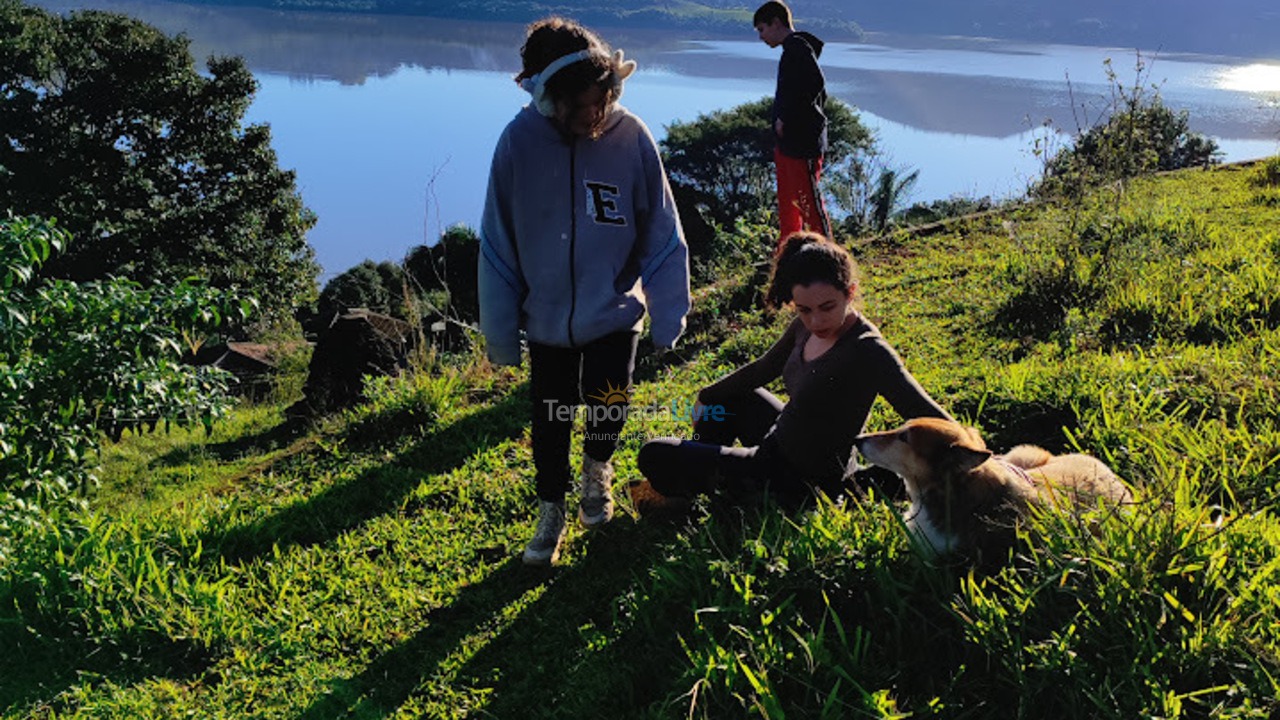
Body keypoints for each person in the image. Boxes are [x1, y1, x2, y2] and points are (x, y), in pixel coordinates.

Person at [479, 17, 692, 566]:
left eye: (601, 101)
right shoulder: (517, 143)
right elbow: (498, 243)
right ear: (548, 97)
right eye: (579, 106)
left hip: (616, 308)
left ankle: (597, 475)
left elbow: (662, 232)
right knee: (550, 416)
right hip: (546, 318)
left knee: (608, 401)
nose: (593, 116)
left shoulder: (632, 137)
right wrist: (501, 333)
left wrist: (670, 311)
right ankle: (550, 509)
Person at [636, 231, 951, 508]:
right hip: (779, 440)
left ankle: (713, 488)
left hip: (799, 479)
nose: (816, 321)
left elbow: (925, 411)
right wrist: (705, 396)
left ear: (850, 293)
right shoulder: (802, 328)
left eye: (827, 307)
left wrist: (985, 460)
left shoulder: (868, 350)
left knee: (652, 454)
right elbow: (764, 368)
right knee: (728, 397)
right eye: (804, 310)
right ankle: (704, 485)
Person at [754, 0, 832, 249]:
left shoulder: (798, 47)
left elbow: (816, 85)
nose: (761, 37)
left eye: (762, 29)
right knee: (789, 205)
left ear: (776, 23)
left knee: (808, 203)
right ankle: (789, 254)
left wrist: (787, 117)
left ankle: (826, 252)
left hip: (803, 144)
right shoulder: (792, 49)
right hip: (789, 144)